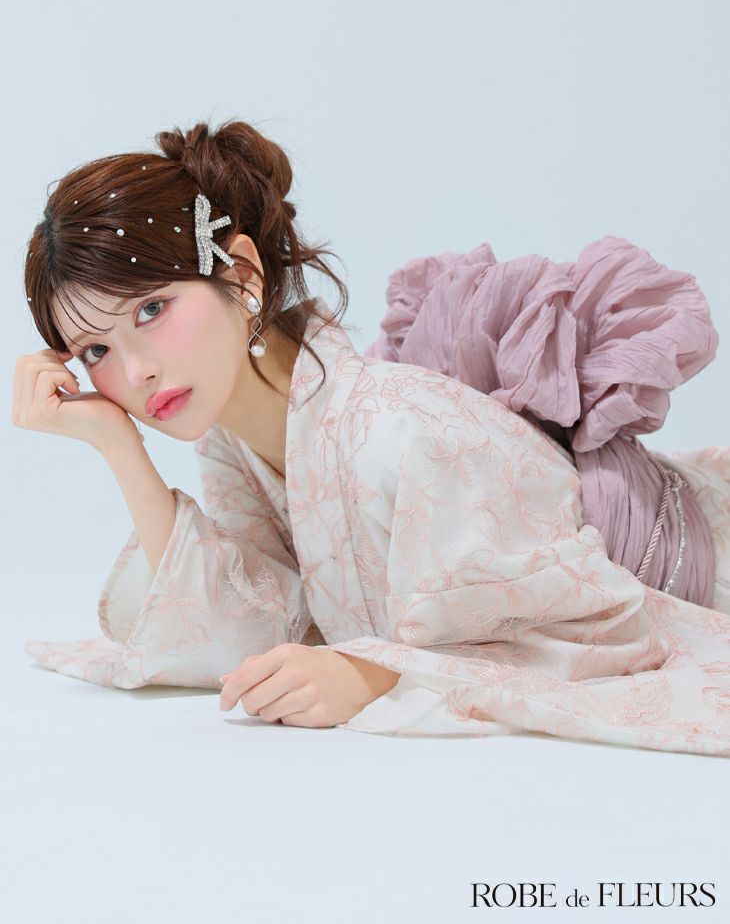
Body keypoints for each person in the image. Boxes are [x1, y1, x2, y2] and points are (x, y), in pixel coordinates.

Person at [14, 118, 730, 757]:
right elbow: (250, 634)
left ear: (242, 274)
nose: (134, 372)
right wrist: (118, 446)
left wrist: (373, 675)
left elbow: (592, 630)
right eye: (95, 350)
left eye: (152, 309)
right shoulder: (233, 443)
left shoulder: (400, 430)